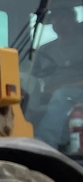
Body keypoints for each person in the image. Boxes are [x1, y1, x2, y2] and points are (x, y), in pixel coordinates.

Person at [31, 8, 83, 149]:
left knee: (61, 95)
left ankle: (44, 144)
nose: (58, 22)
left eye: (63, 17)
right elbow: (32, 75)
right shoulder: (45, 49)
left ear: (74, 21)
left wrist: (62, 88)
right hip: (50, 94)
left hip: (77, 93)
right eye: (55, 18)